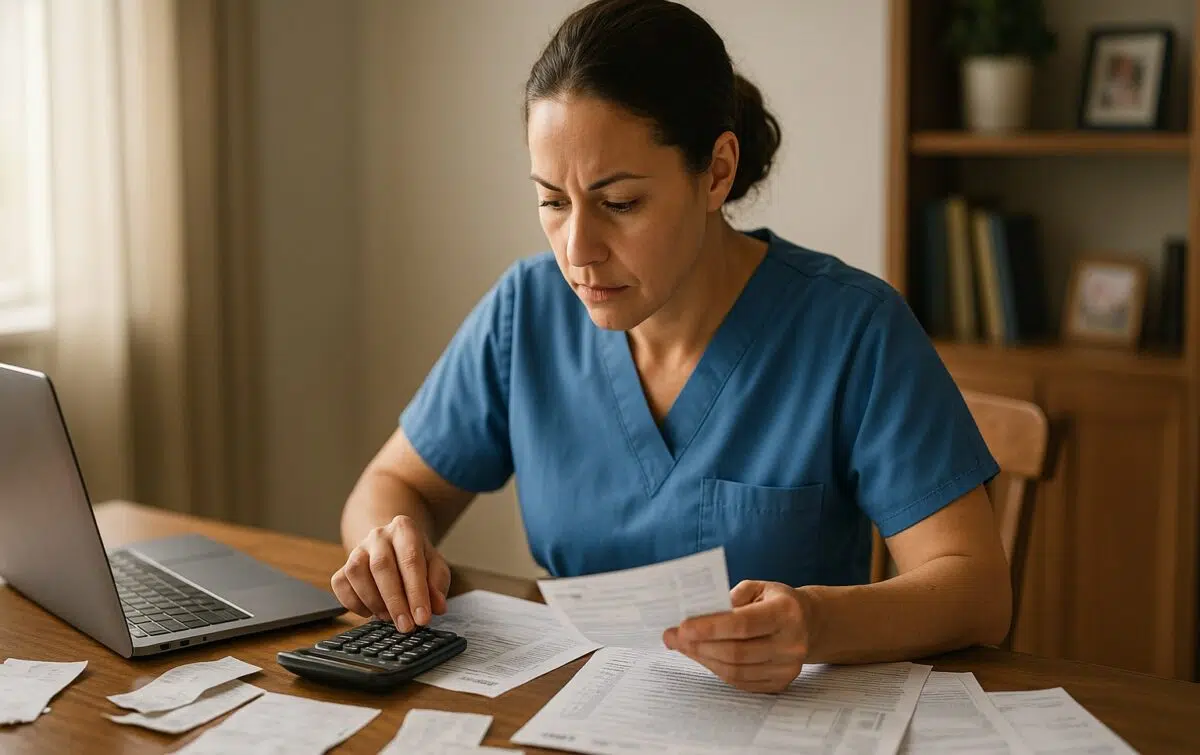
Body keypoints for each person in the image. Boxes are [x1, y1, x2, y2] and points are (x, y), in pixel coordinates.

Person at [333, 0, 1012, 694]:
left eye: (619, 203)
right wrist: (391, 541)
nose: (578, 251)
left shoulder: (851, 329)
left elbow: (977, 588)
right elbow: (394, 485)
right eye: (552, 201)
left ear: (717, 171)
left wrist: (814, 620)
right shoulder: (527, 310)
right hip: (575, 714)